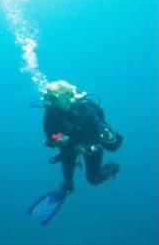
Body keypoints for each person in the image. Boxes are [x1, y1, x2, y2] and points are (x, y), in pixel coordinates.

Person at [28, 80, 124, 225]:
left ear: (65, 97)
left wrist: (72, 141)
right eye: (47, 97)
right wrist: (58, 140)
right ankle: (66, 188)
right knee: (68, 185)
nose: (48, 102)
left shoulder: (88, 108)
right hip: (68, 147)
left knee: (94, 179)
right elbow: (50, 133)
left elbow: (98, 133)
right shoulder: (51, 111)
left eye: (52, 98)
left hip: (90, 145)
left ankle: (114, 167)